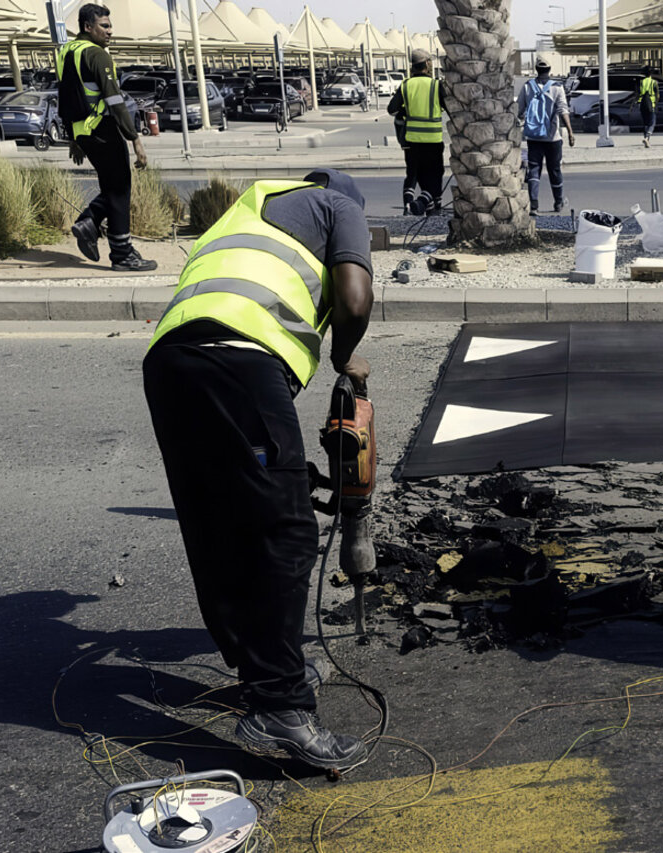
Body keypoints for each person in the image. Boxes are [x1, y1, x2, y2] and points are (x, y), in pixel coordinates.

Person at [142, 168, 375, 770]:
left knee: (217, 522)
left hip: (168, 363)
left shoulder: (246, 211)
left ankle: (261, 672)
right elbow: (354, 298)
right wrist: (344, 358)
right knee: (285, 532)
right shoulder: (336, 205)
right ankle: (278, 707)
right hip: (238, 362)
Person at [57, 3, 155, 272]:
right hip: (103, 129)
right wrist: (135, 140)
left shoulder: (67, 51)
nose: (110, 32)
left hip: (84, 134)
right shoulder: (98, 55)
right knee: (121, 188)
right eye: (105, 26)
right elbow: (115, 102)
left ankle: (89, 222)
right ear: (88, 27)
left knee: (112, 186)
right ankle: (122, 254)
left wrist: (73, 139)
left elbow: (65, 97)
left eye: (110, 26)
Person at [388, 50, 446, 216]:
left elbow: (392, 110)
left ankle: (412, 206)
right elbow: (450, 108)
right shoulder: (435, 85)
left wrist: (406, 111)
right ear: (427, 64)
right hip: (433, 139)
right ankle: (427, 203)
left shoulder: (406, 85)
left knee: (415, 173)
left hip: (412, 140)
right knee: (435, 174)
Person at [516, 59, 573, 215]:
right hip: (552, 138)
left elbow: (519, 111)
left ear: (536, 69)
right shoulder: (557, 88)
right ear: (549, 70)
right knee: (554, 169)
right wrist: (570, 132)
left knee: (534, 169)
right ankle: (558, 202)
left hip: (533, 136)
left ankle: (533, 205)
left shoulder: (528, 86)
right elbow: (563, 111)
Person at [638, 65, 659, 148]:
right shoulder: (654, 82)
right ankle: (647, 138)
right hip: (651, 104)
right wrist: (656, 103)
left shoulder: (641, 82)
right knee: (652, 123)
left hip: (642, 104)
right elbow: (657, 95)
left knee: (645, 123)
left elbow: (638, 93)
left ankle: (646, 140)